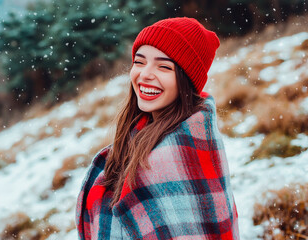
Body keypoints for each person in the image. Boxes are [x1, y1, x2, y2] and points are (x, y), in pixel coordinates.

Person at [76, 17, 239, 239]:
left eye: (164, 66)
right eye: (140, 62)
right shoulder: (141, 136)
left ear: (186, 80)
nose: (145, 74)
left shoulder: (172, 157)